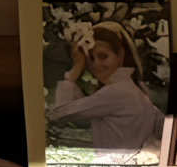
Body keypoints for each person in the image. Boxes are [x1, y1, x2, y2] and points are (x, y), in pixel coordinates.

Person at [45, 20, 161, 152]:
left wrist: (73, 73)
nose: (96, 65)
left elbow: (58, 114)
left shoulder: (117, 93)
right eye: (91, 58)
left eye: (103, 56)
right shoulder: (134, 87)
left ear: (120, 55)